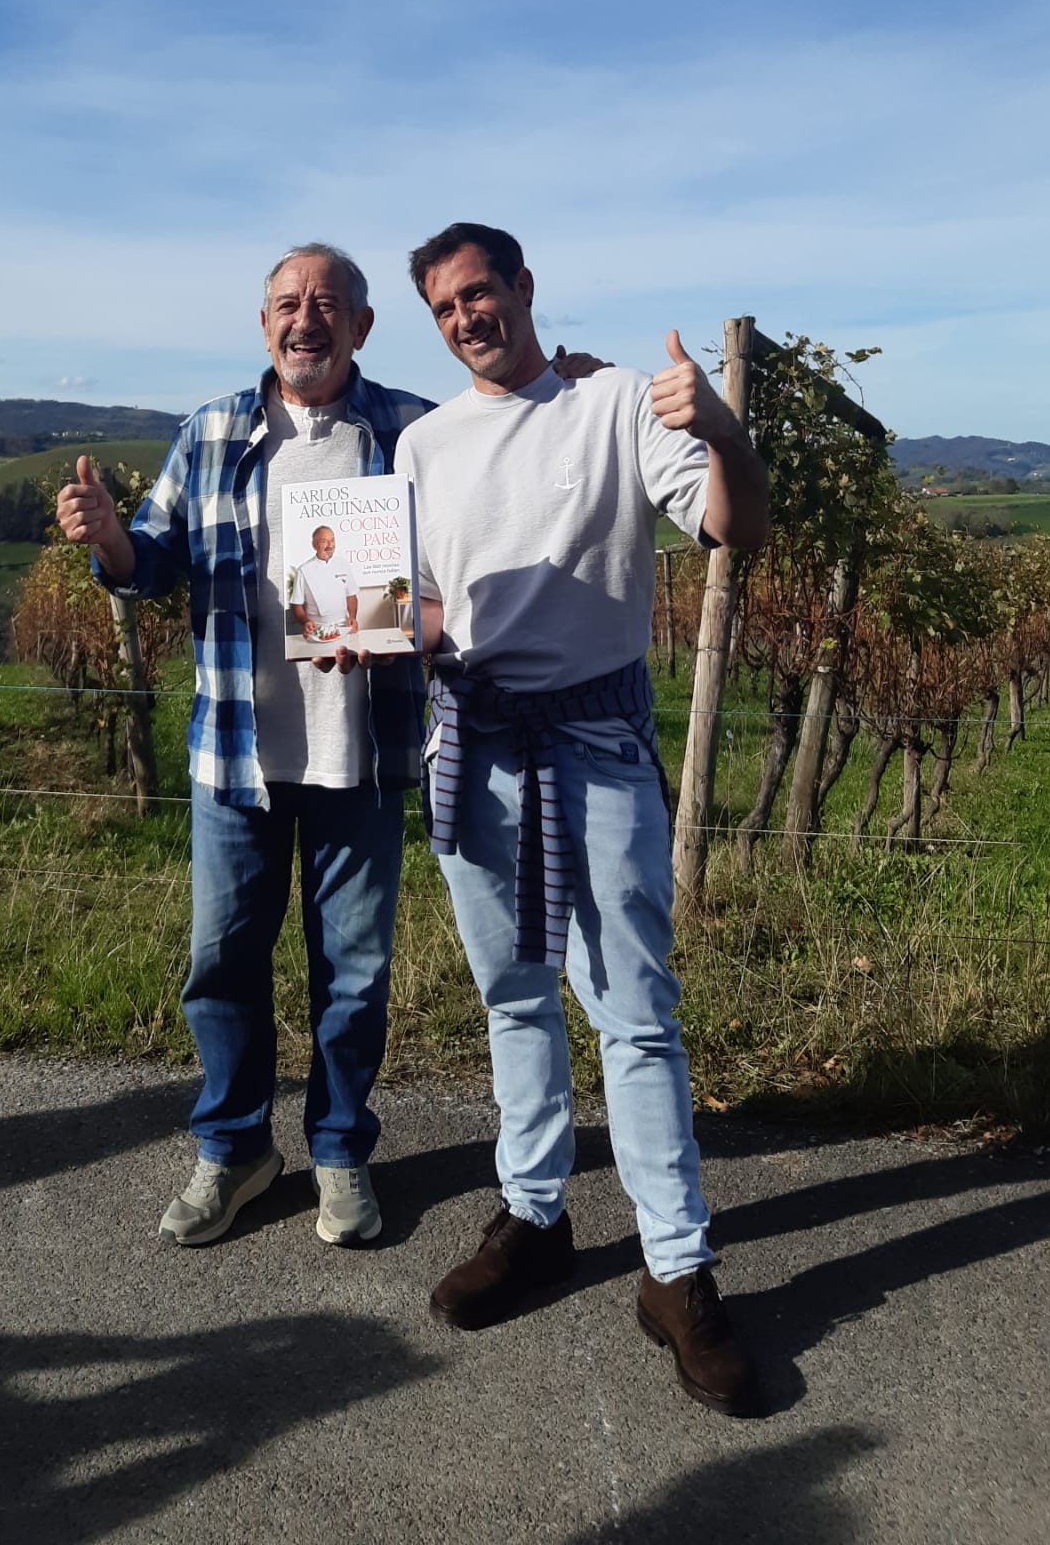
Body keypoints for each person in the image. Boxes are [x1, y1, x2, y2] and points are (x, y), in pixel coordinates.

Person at [394, 222, 770, 1416]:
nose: (465, 318)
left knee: (636, 1014)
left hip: (595, 749)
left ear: (523, 289)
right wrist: (388, 625)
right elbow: (417, 598)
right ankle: (538, 1214)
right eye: (444, 307)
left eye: (480, 293)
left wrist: (720, 427)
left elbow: (734, 528)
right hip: (473, 748)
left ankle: (677, 1268)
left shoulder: (613, 408)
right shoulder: (421, 442)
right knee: (513, 995)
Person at [56, 244, 428, 1250]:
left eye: (326, 304)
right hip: (238, 755)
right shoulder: (212, 427)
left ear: (361, 322)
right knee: (221, 964)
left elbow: (459, 559)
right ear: (262, 321)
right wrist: (107, 538)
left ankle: (342, 1151)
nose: (304, 320)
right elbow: (151, 559)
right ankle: (235, 1149)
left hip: (361, 752)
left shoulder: (413, 429)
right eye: (285, 304)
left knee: (353, 972)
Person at [291, 527, 357, 643]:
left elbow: (351, 595)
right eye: (324, 541)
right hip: (316, 630)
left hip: (343, 627)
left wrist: (352, 617)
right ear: (314, 545)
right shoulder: (303, 570)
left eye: (332, 540)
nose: (330, 545)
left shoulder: (343, 564)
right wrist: (306, 622)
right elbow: (297, 605)